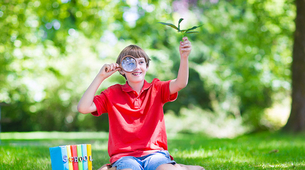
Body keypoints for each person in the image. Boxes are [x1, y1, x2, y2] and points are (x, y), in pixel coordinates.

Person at [77, 37, 204, 170]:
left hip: (155, 154)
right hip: (125, 157)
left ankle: (181, 167)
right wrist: (100, 77)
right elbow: (83, 107)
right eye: (130, 63)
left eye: (141, 62)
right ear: (121, 69)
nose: (137, 67)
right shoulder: (112, 93)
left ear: (147, 66)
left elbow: (180, 83)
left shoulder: (157, 88)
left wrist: (184, 57)